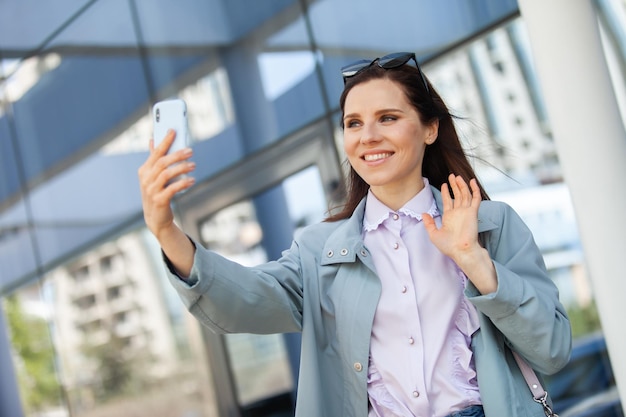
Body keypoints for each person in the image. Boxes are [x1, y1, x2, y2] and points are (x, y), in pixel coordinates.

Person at [138, 52, 572, 417]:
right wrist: (165, 230)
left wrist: (473, 259)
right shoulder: (318, 253)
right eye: (353, 123)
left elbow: (551, 348)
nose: (369, 137)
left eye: (388, 117)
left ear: (430, 128)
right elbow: (243, 300)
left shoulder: (493, 225)